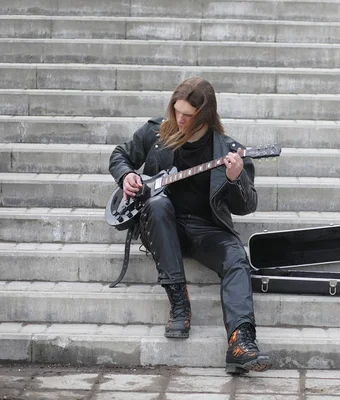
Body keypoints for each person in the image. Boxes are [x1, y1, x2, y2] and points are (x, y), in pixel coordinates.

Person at [108, 77, 272, 374]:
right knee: (157, 204)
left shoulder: (229, 150)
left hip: (205, 228)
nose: (180, 119)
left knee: (236, 258)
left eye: (188, 115)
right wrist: (126, 176)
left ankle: (241, 340)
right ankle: (179, 303)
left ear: (205, 116)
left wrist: (235, 180)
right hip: (161, 223)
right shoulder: (157, 133)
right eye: (177, 111)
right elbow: (120, 155)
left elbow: (247, 206)